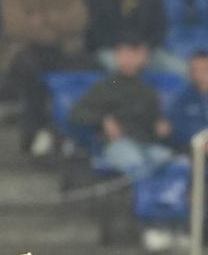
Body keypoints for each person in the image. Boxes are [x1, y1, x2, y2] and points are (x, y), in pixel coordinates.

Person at [0, 0, 89, 154]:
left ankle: (67, 135)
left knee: (79, 67)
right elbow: (14, 25)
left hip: (62, 50)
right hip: (22, 51)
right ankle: (34, 134)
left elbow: (79, 19)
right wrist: (57, 25)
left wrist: (43, 20)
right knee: (32, 71)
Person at [69, 36, 174, 180]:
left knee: (173, 164)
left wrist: (160, 128)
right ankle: (144, 200)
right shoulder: (105, 87)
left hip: (146, 145)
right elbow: (77, 113)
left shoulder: (148, 91)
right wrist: (104, 121)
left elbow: (155, 127)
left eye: (133, 53)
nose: (128, 59)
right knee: (137, 164)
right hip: (118, 145)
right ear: (116, 56)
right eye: (123, 53)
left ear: (143, 57)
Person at [168, 50, 208, 147]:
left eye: (204, 69)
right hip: (193, 148)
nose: (199, 74)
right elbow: (179, 128)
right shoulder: (182, 98)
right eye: (195, 70)